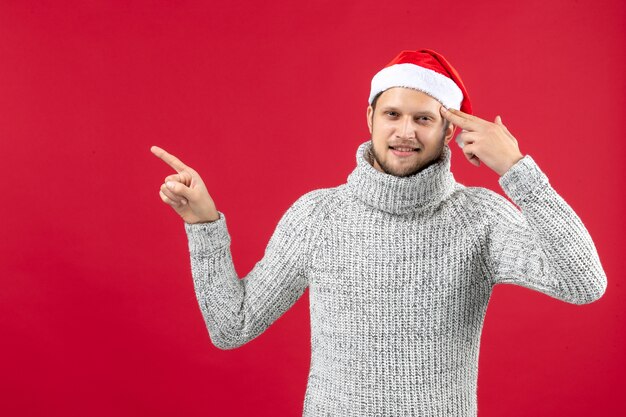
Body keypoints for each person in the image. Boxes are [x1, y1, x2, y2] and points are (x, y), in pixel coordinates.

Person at [150, 49, 607, 416]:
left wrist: (516, 168)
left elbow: (584, 282)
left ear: (449, 130)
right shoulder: (318, 215)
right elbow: (233, 326)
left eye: (424, 118)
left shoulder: (480, 218)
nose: (405, 131)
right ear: (369, 116)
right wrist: (204, 226)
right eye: (392, 114)